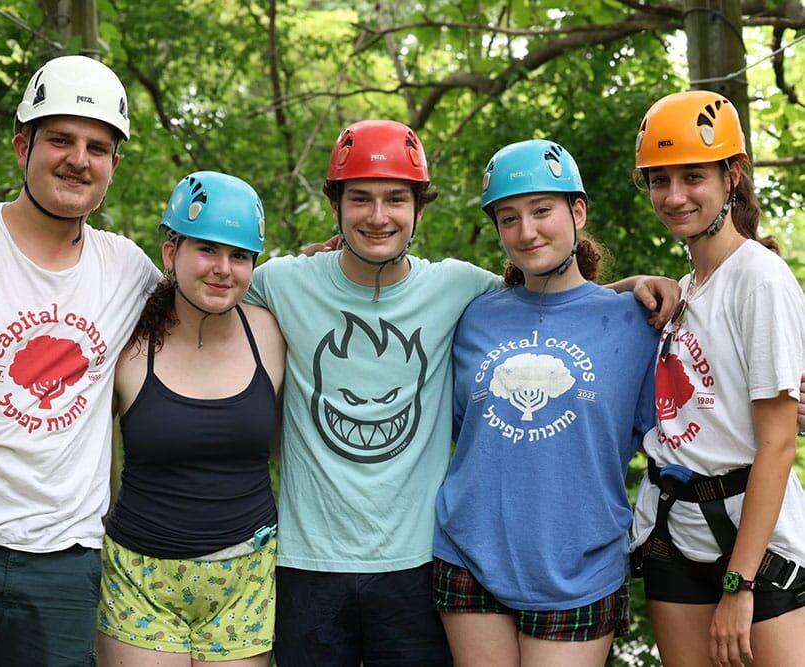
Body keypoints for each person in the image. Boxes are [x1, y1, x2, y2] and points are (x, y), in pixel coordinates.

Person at [243, 120, 678, 667]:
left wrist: (636, 287)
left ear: (418, 209)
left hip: (452, 563)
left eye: (396, 199)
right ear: (336, 207)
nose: (378, 216)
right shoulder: (286, 283)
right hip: (354, 560)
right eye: (361, 199)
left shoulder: (463, 291)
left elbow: (566, 301)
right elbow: (208, 285)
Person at [0, 55, 159, 665]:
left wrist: (318, 268)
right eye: (60, 139)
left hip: (66, 564)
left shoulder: (127, 270)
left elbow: (218, 297)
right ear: (22, 146)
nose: (79, 159)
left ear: (113, 167)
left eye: (97, 147)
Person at [431, 139, 659, 666]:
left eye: (541, 211)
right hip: (468, 554)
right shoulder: (473, 316)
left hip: (580, 566)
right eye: (508, 218)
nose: (526, 231)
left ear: (577, 211)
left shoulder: (638, 322)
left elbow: (692, 423)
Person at [629, 90, 805, 667]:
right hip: (673, 530)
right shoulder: (687, 288)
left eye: (693, 177)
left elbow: (778, 444)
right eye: (660, 180)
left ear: (732, 176)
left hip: (753, 547)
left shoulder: (759, 279)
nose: (674, 196)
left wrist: (740, 584)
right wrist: (633, 281)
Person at [94, 171, 285, 666]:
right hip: (140, 577)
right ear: (170, 252)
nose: (223, 269)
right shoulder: (127, 339)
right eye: (207, 249)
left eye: (240, 256)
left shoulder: (273, 332)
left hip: (245, 578)